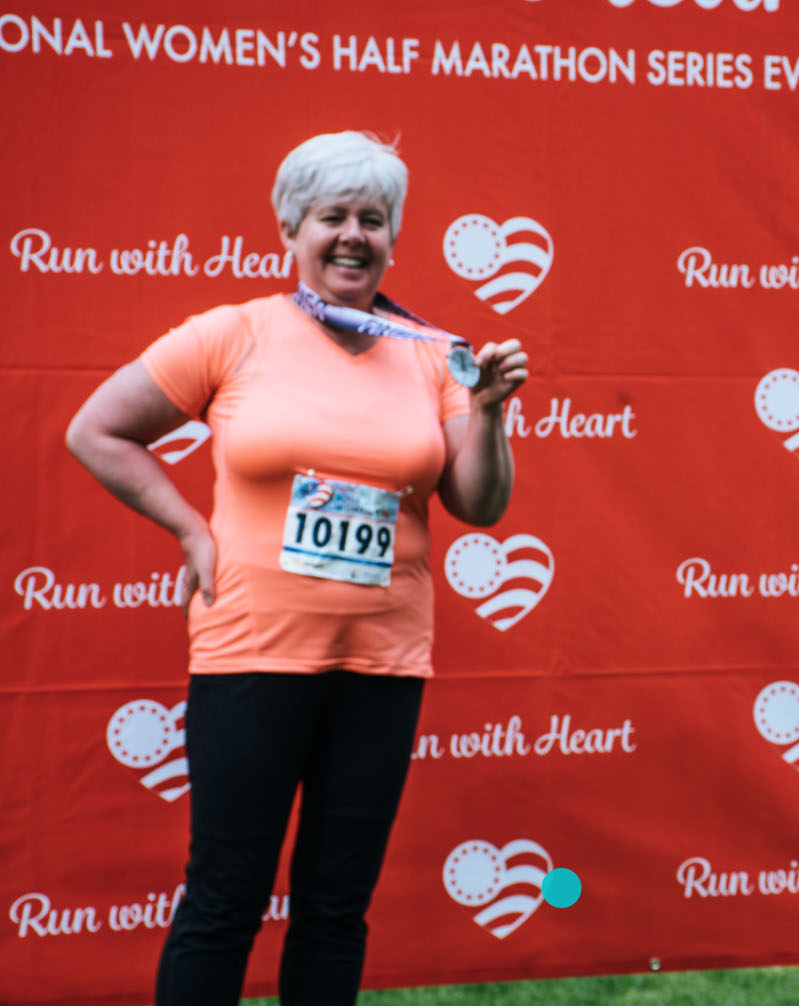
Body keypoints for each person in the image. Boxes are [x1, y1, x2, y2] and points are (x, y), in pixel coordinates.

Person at [65, 131, 529, 1006]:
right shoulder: (233, 333)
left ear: (395, 237)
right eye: (333, 217)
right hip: (250, 654)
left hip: (382, 664)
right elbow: (97, 429)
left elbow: (481, 505)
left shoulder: (436, 354)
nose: (354, 234)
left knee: (335, 909)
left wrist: (492, 412)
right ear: (291, 228)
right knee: (224, 901)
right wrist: (191, 534)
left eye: (373, 219)